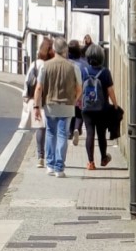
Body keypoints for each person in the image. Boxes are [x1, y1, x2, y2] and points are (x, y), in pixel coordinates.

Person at [33, 37, 81, 177]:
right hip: (67, 106)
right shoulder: (74, 67)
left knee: (50, 133)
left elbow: (39, 88)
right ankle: (60, 167)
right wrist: (73, 99)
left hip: (50, 105)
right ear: (65, 50)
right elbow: (79, 89)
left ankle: (50, 165)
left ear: (54, 50)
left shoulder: (45, 66)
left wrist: (36, 106)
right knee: (62, 135)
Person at [81, 42, 118, 170]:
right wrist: (115, 104)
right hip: (102, 108)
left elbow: (79, 89)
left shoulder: (84, 71)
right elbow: (110, 90)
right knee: (101, 134)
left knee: (89, 133)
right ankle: (103, 158)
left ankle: (90, 162)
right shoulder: (105, 72)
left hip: (87, 108)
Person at [27, 37, 55, 168]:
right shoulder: (49, 65)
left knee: (40, 128)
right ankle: (51, 156)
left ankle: (40, 157)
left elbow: (28, 81)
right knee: (50, 129)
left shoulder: (35, 64)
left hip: (36, 99)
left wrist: (28, 98)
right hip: (49, 99)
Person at [67, 39, 88, 146]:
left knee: (71, 112)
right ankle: (77, 128)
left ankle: (70, 132)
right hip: (80, 91)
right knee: (79, 113)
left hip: (68, 91)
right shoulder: (84, 64)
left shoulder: (65, 62)